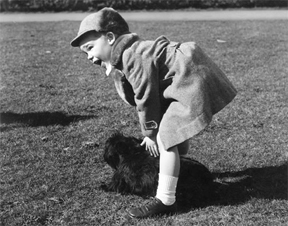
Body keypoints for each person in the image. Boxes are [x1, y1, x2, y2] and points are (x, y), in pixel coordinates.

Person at [70, 7, 237, 218]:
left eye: (90, 48)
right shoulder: (128, 54)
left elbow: (146, 99)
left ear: (110, 37)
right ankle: (175, 171)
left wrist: (150, 134)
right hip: (183, 80)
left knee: (165, 138)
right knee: (172, 136)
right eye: (85, 52)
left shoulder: (132, 56)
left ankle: (166, 199)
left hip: (189, 79)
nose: (88, 56)